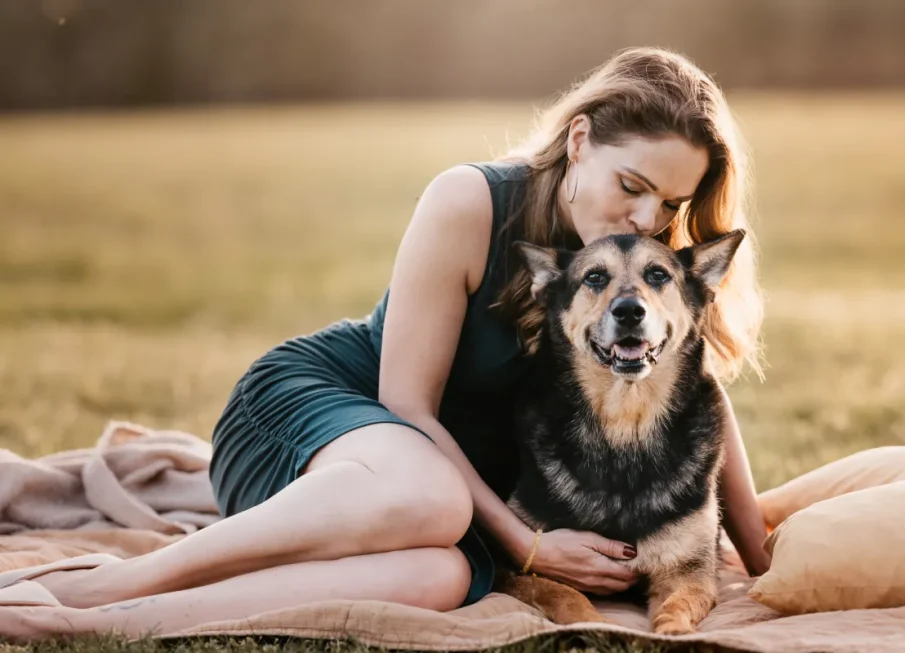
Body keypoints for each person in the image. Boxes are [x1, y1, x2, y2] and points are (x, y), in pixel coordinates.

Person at [0, 46, 770, 640]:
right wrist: (529, 548)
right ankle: (107, 583)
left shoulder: (639, 268)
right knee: (432, 503)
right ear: (578, 141)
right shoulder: (470, 199)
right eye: (631, 186)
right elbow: (406, 403)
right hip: (322, 416)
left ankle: (106, 624)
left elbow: (694, 387)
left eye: (668, 203)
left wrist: (760, 553)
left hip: (425, 506)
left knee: (440, 574)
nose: (644, 218)